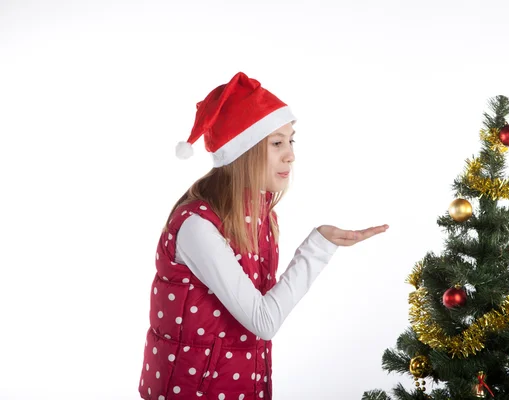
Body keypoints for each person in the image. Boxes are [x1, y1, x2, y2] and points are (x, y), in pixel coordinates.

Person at [138, 71, 388, 400]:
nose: (291, 155)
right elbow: (263, 321)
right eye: (277, 143)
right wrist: (318, 248)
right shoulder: (197, 227)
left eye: (291, 140)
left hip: (245, 387)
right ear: (244, 150)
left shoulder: (260, 216)